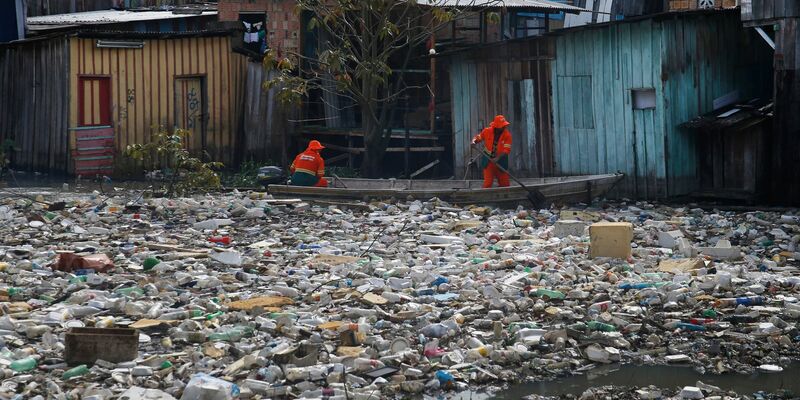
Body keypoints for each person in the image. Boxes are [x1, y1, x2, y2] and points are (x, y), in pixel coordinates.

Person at [472, 115, 512, 188]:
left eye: (504, 126)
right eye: (502, 126)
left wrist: (497, 158)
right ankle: (484, 197)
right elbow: (477, 138)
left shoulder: (507, 135)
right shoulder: (487, 131)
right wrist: (474, 142)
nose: (504, 127)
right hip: (488, 161)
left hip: (501, 162)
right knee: (488, 184)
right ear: (496, 127)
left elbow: (506, 150)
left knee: (505, 184)